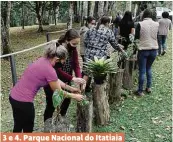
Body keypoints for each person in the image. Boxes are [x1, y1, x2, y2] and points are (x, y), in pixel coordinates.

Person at [9, 43, 84, 132]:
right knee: (28, 129)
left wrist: (71, 89)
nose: (62, 64)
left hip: (13, 96)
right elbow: (59, 92)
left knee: (18, 125)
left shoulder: (43, 60)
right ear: (57, 59)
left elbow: (55, 80)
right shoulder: (49, 70)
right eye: (63, 62)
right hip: (24, 102)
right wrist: (75, 96)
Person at [44, 29, 86, 122]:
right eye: (74, 43)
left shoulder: (73, 49)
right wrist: (73, 78)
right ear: (67, 40)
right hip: (53, 80)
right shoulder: (56, 49)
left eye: (77, 44)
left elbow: (76, 65)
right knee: (51, 103)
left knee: (67, 100)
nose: (75, 46)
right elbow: (56, 70)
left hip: (67, 79)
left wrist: (78, 78)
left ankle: (61, 118)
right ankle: (47, 125)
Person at [83, 16, 127, 86]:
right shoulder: (108, 31)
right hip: (100, 56)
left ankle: (82, 91)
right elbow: (114, 44)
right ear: (107, 23)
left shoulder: (91, 28)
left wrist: (90, 47)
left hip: (88, 54)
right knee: (99, 75)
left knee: (86, 74)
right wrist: (121, 50)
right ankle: (98, 93)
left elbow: (85, 40)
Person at [135, 9, 159, 96]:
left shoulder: (140, 24)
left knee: (142, 70)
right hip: (154, 49)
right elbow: (157, 36)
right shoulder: (156, 24)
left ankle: (140, 91)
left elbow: (136, 37)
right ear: (151, 15)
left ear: (144, 15)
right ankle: (148, 87)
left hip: (143, 49)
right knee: (149, 68)